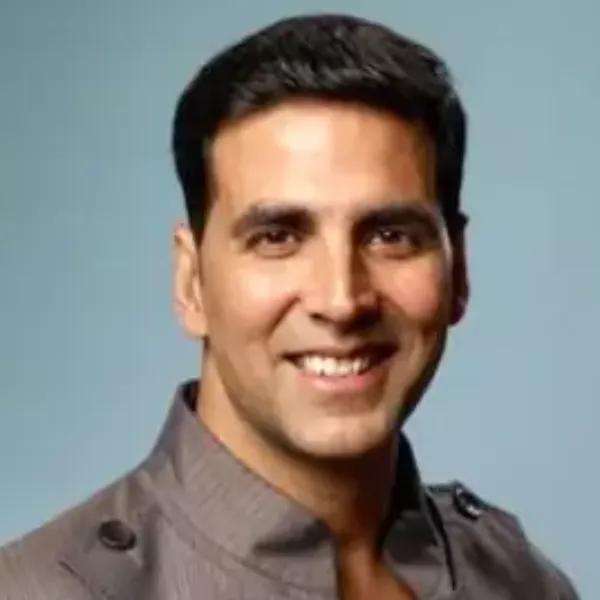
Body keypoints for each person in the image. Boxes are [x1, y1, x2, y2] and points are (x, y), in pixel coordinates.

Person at [0, 13, 579, 600]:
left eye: (390, 236)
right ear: (191, 280)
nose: (341, 300)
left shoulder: (519, 581)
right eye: (277, 237)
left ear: (459, 269)